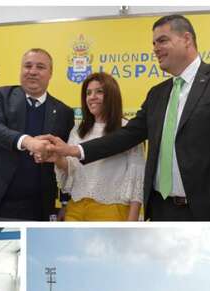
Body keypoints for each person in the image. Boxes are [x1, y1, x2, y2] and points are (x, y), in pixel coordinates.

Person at [33, 14, 210, 221]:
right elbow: (125, 136)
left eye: (162, 41)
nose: (156, 49)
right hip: (161, 210)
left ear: (186, 39)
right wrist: (73, 150)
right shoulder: (157, 94)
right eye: (153, 44)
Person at [0, 48, 74, 221]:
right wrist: (28, 141)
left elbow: (67, 162)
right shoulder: (0, 95)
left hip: (39, 207)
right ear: (21, 69)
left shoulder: (63, 112)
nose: (33, 72)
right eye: (27, 66)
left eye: (40, 67)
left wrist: (66, 204)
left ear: (50, 73)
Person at [53, 72, 144, 221]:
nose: (92, 97)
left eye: (99, 92)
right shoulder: (77, 130)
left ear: (112, 96)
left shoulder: (128, 130)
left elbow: (136, 180)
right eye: (88, 93)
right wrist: (57, 158)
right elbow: (70, 170)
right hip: (75, 209)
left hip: (113, 211)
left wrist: (131, 223)